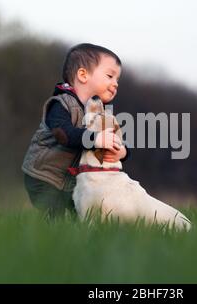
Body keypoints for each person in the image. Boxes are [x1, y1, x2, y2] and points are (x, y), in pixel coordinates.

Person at [22, 43, 128, 219]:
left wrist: (122, 152)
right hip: (44, 177)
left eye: (117, 80)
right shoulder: (61, 103)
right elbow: (63, 134)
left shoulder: (100, 113)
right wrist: (96, 139)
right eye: (110, 76)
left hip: (71, 183)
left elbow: (114, 136)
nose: (115, 84)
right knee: (55, 217)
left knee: (80, 218)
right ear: (83, 75)